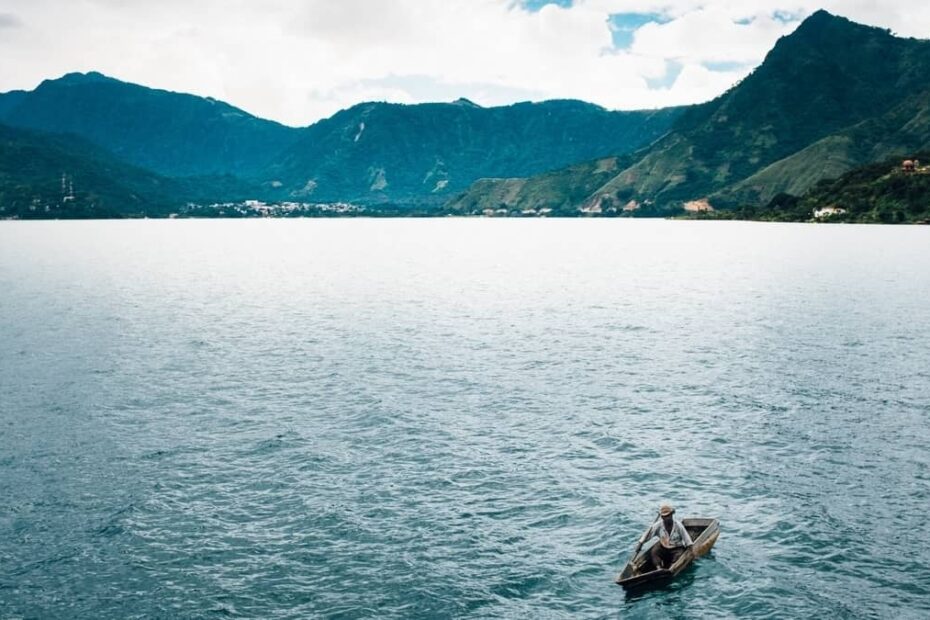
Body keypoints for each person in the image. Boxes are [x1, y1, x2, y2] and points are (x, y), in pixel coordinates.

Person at [639, 504, 693, 570]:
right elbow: (647, 535)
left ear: (671, 515)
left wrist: (690, 551)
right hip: (663, 547)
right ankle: (659, 568)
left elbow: (687, 539)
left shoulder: (678, 525)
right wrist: (640, 544)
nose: (667, 518)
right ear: (662, 517)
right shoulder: (658, 525)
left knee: (678, 556)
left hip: (676, 548)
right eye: (664, 517)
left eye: (668, 516)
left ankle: (672, 567)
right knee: (654, 551)